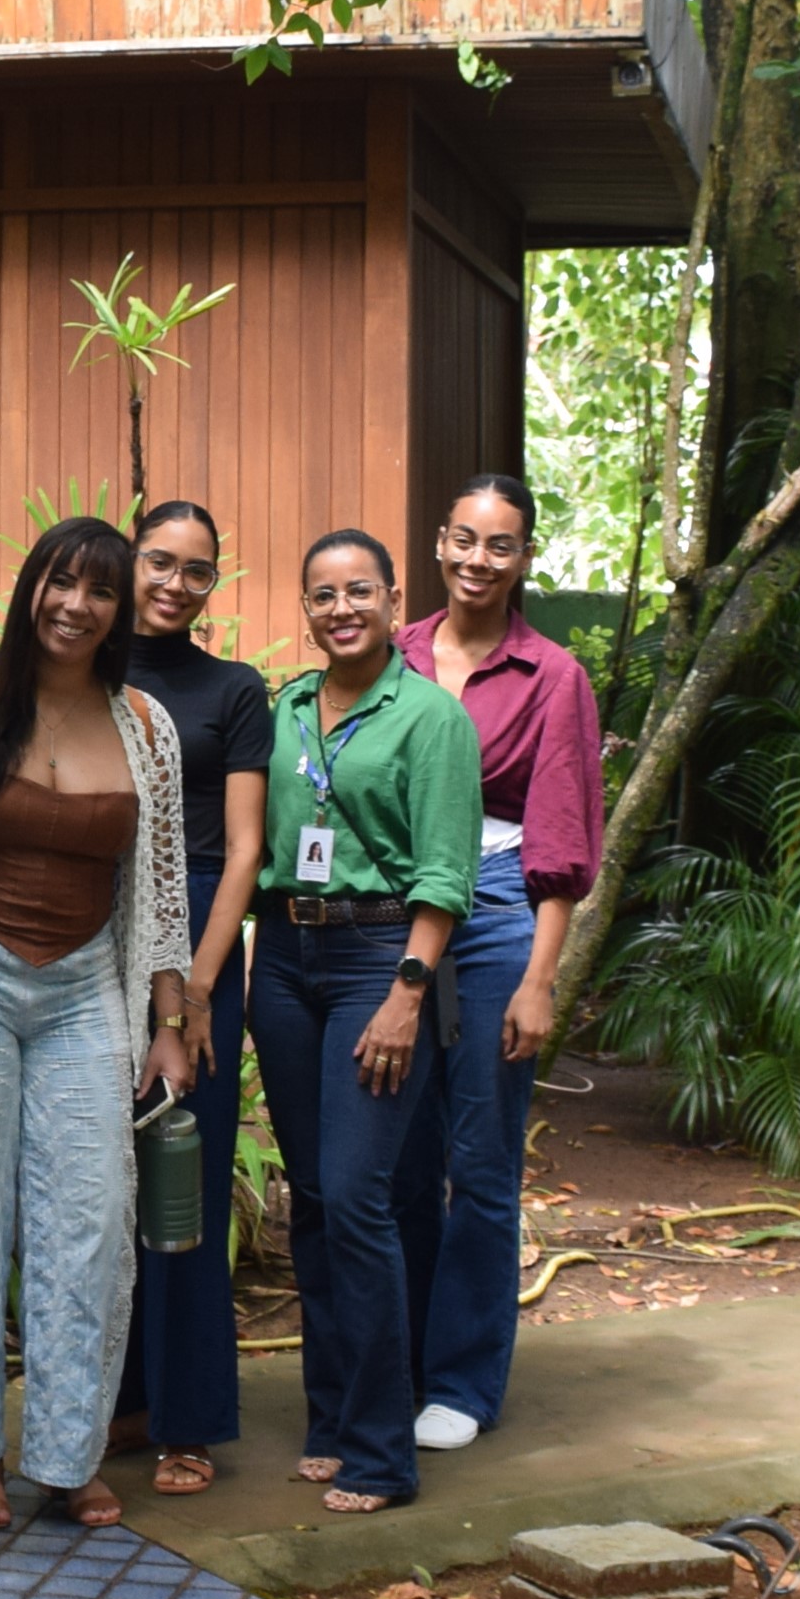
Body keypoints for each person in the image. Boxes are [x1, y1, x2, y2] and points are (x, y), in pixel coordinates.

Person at [0, 515, 196, 1532]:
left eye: (100, 590)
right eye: (60, 582)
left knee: (90, 1221)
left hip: (84, 987)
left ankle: (68, 1455)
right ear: (31, 586)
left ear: (120, 609)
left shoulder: (144, 723)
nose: (76, 604)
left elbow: (160, 889)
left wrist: (168, 1020)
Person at [246, 530, 478, 1515]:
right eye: (322, 594)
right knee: (309, 1198)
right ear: (306, 607)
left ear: (392, 599)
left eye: (359, 591)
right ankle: (332, 1415)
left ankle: (384, 1450)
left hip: (379, 957)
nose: (340, 608)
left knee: (357, 1197)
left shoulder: (430, 716)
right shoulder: (288, 707)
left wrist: (407, 991)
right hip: (284, 956)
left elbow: (447, 870)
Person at [392, 474, 607, 1448]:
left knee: (480, 1157)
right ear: (441, 541)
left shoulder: (552, 675)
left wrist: (538, 978)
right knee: (397, 1149)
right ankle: (398, 1360)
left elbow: (561, 839)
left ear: (524, 559)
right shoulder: (395, 653)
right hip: (392, 912)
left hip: (495, 906)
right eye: (465, 539)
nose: (479, 559)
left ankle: (462, 1382)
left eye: (501, 544)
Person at [111, 500, 271, 1495]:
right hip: (96, 923)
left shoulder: (233, 687)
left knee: (184, 1176)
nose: (175, 583)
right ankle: (125, 1397)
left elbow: (247, 846)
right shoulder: (84, 667)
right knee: (101, 1181)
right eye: (160, 562)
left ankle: (189, 1417)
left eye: (197, 570)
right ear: (130, 559)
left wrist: (201, 989)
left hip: (203, 924)